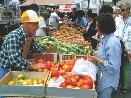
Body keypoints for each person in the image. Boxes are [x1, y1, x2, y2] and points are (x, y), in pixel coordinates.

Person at [0, 10, 46, 80]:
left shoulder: (29, 36)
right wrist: (32, 66)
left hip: (18, 71)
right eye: (36, 24)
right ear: (27, 25)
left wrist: (48, 58)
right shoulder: (14, 36)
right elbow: (14, 59)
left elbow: (37, 49)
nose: (38, 27)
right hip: (6, 73)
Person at [88, 14, 122, 98]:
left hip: (108, 81)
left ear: (103, 26)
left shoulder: (112, 43)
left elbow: (113, 66)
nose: (95, 28)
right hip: (103, 78)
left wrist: (97, 59)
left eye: (97, 26)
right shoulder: (105, 39)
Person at [119, 2, 131, 93]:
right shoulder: (119, 19)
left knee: (126, 66)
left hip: (128, 45)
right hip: (119, 44)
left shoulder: (130, 21)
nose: (121, 11)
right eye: (121, 9)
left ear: (128, 11)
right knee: (120, 65)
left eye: (123, 10)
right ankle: (121, 83)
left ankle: (124, 86)